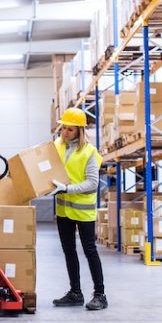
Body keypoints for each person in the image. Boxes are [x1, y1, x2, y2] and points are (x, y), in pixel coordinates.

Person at [49, 107, 107, 311]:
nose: (65, 133)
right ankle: (75, 293)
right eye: (63, 128)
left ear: (80, 131)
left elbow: (92, 183)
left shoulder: (89, 152)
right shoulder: (57, 145)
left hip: (83, 210)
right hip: (63, 210)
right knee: (68, 250)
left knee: (90, 250)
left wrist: (67, 188)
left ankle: (100, 295)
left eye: (70, 130)